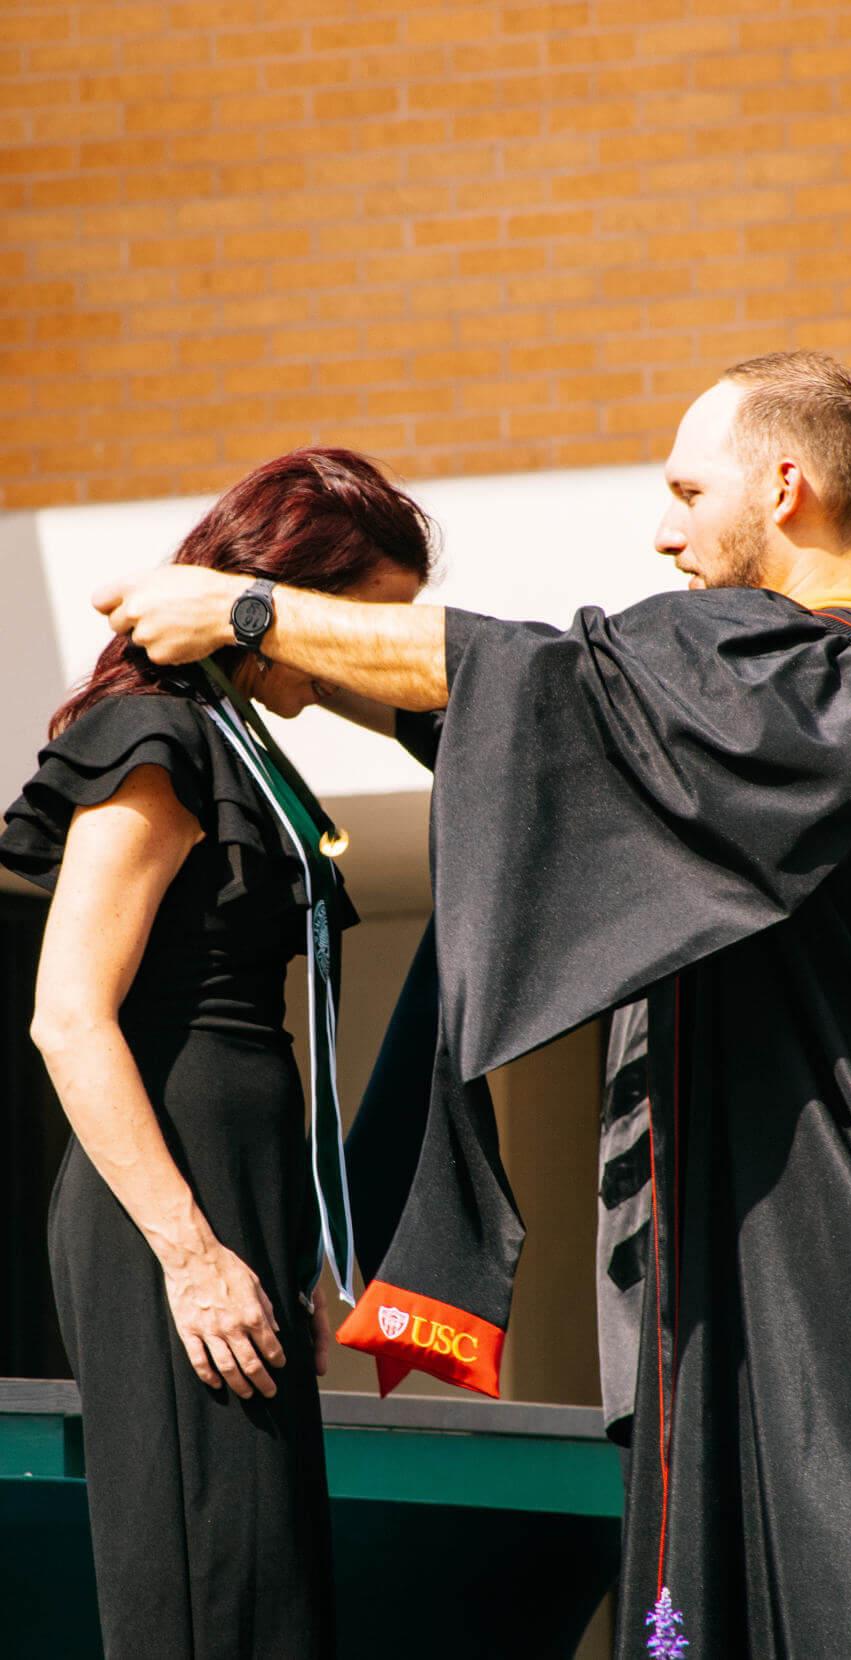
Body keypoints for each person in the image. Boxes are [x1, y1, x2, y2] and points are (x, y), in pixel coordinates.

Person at [94, 352, 851, 1659]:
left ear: (784, 485)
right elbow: (553, 728)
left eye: (684, 488)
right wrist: (320, 650)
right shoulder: (817, 705)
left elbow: (558, 691)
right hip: (774, 1284)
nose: (660, 529)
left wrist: (249, 613)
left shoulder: (829, 682)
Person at [1, 448, 432, 1659]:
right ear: (292, 589)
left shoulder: (233, 733)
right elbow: (67, 1014)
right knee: (211, 1582)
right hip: (168, 1208)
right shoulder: (156, 733)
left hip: (232, 1197)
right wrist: (192, 1255)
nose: (372, 653)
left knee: (263, 1576)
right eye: (366, 621)